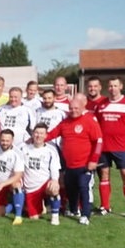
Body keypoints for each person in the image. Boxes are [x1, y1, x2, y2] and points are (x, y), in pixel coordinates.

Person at [47, 95, 103, 225]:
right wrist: (36, 139)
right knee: (71, 189)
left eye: (76, 108)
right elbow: (52, 133)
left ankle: (86, 215)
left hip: (84, 164)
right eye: (71, 108)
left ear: (83, 107)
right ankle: (73, 210)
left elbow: (98, 141)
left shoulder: (89, 120)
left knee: (83, 187)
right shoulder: (65, 122)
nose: (73, 110)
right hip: (69, 164)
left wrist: (93, 160)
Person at [94, 76, 125, 219]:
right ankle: (105, 207)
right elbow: (95, 125)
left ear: (121, 86)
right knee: (104, 175)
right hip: (104, 148)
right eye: (110, 86)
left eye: (115, 86)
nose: (112, 89)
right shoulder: (101, 104)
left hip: (121, 148)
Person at [21, 123, 62, 225]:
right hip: (30, 186)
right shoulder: (24, 148)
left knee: (54, 188)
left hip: (44, 183)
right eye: (36, 133)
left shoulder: (51, 150)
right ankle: (40, 206)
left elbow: (54, 168)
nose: (38, 136)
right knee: (33, 218)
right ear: (32, 134)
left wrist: (55, 180)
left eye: (41, 133)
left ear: (46, 135)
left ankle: (55, 216)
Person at [0, 129, 26, 224]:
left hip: (10, 183)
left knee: (16, 185)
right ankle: (13, 204)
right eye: (3, 140)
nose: (4, 143)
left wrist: (2, 185)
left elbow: (18, 175)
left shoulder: (18, 154)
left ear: (12, 140)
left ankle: (18, 216)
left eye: (7, 141)